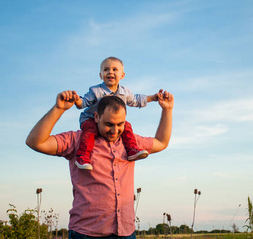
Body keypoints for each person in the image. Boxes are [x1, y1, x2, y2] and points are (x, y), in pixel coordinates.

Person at [26, 89, 174, 238]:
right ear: (96, 117)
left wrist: (167, 110)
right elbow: (35, 142)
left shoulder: (131, 144)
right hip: (86, 233)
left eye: (120, 124)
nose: (115, 130)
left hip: (126, 232)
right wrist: (58, 109)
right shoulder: (77, 140)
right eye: (109, 124)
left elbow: (161, 142)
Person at [74, 57, 161, 170]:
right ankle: (82, 156)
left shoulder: (124, 92)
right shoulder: (95, 91)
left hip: (112, 123)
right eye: (106, 70)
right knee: (90, 130)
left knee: (127, 126)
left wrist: (153, 98)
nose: (110, 72)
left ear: (122, 75)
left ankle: (131, 150)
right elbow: (83, 103)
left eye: (115, 69)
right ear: (101, 75)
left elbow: (135, 100)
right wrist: (76, 100)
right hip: (91, 118)